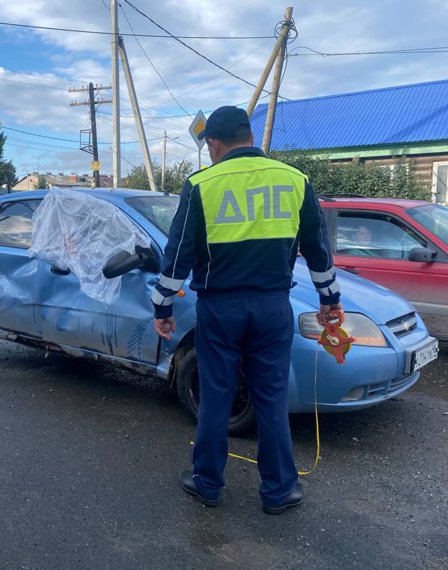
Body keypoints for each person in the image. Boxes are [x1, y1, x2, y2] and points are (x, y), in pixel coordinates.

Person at [151, 106, 342, 515]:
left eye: (209, 149)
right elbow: (318, 249)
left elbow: (178, 253)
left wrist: (162, 305)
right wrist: (330, 301)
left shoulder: (202, 184)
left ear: (214, 145)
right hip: (273, 306)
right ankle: (279, 491)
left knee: (216, 395)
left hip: (220, 308)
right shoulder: (296, 180)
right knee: (271, 397)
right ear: (250, 138)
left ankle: (207, 484)